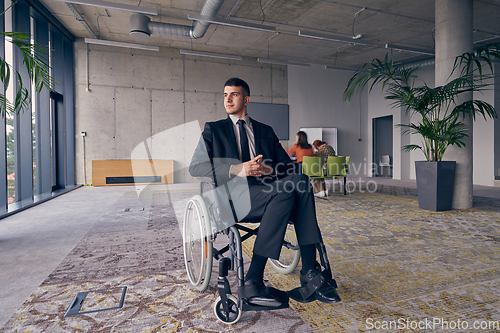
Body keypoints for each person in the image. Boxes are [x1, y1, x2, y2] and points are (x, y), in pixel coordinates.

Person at [189, 77, 340, 305]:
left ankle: (305, 272)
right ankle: (270, 276)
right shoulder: (214, 130)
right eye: (225, 95)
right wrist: (238, 169)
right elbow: (196, 167)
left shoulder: (265, 131)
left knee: (299, 179)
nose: (228, 99)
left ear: (246, 99)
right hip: (233, 197)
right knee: (288, 191)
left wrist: (267, 168)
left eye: (234, 94)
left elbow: (287, 166)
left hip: (268, 191)